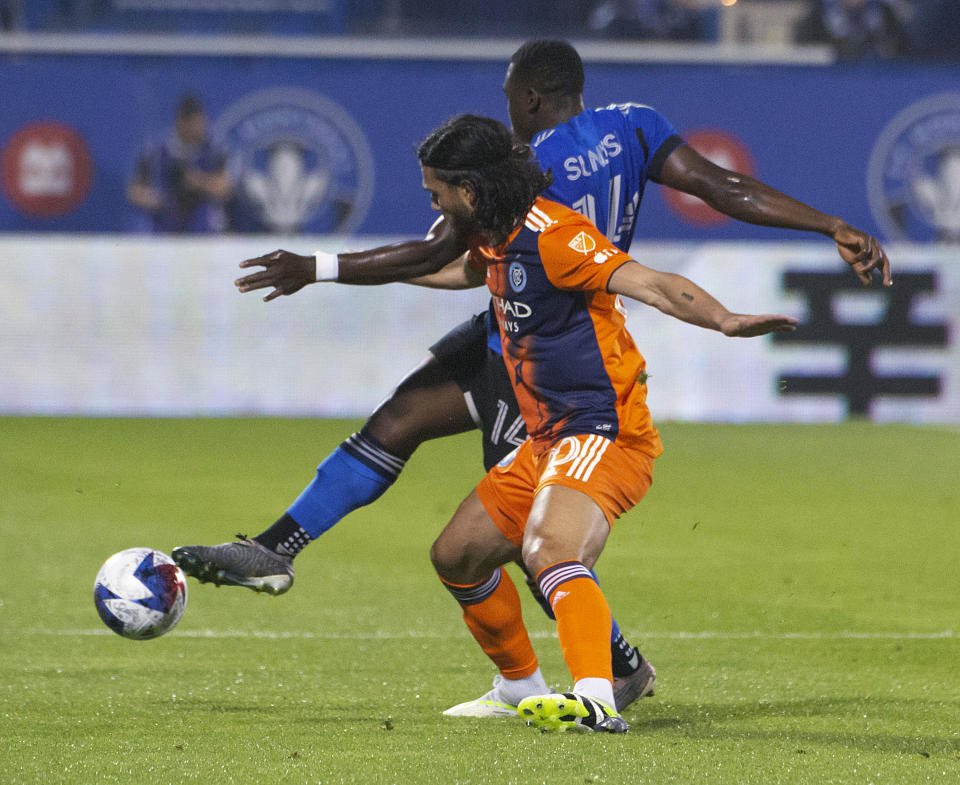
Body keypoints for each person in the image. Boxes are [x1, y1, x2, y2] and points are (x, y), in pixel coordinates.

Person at [173, 39, 891, 716]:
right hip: (517, 311)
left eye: (513, 95)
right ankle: (278, 547)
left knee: (533, 535)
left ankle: (611, 670)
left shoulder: (521, 172)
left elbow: (443, 254)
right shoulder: (635, 128)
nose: (509, 108)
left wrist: (323, 268)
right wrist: (828, 223)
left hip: (548, 341)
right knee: (404, 424)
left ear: (537, 99)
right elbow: (723, 186)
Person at [407, 113, 796, 734]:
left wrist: (724, 319)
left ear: (470, 191)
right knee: (458, 555)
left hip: (602, 430)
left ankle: (596, 697)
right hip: (547, 439)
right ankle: (517, 685)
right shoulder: (492, 238)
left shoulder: (554, 234)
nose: (432, 204)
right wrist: (333, 269)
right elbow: (444, 268)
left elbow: (651, 283)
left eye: (437, 192)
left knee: (551, 549)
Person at [127, 95, 233, 233]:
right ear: (182, 122)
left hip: (205, 228)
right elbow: (134, 192)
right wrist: (156, 199)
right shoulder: (155, 150)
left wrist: (198, 182)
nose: (201, 127)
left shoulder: (215, 149)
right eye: (195, 123)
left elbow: (225, 188)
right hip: (162, 227)